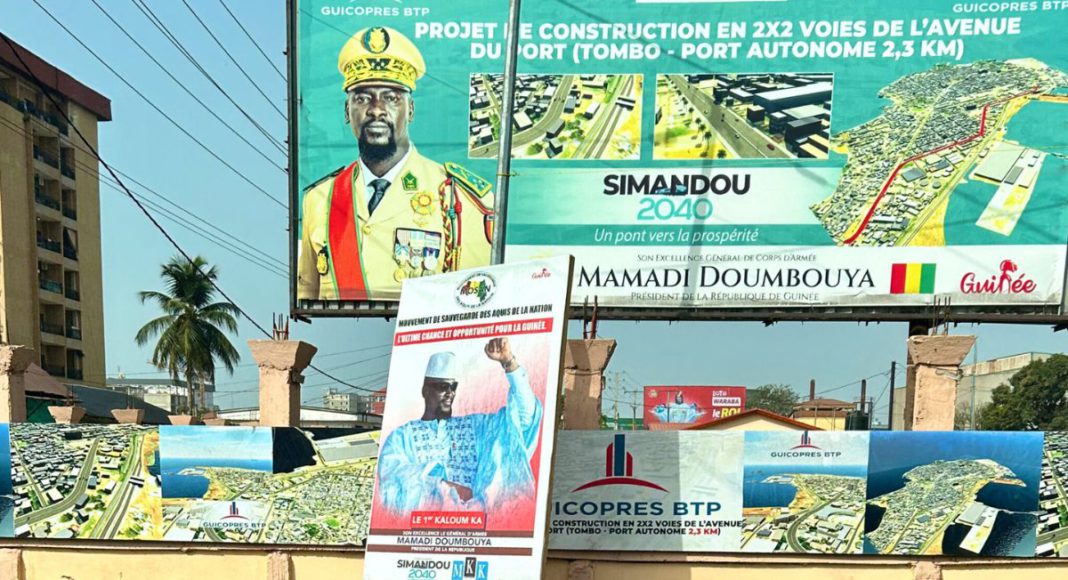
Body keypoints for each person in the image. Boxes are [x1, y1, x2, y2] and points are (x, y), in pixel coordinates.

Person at [298, 26, 495, 302]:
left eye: (391, 98)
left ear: (411, 110)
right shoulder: (319, 200)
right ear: (347, 111)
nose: (376, 109)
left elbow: (478, 299)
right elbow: (307, 298)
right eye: (362, 98)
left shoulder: (461, 199)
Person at [376, 338, 542, 514]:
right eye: (442, 386)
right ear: (425, 391)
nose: (450, 393)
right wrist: (442, 487)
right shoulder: (402, 437)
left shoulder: (477, 427)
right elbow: (391, 481)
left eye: (453, 386)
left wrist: (509, 363)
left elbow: (523, 418)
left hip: (478, 530)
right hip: (424, 531)